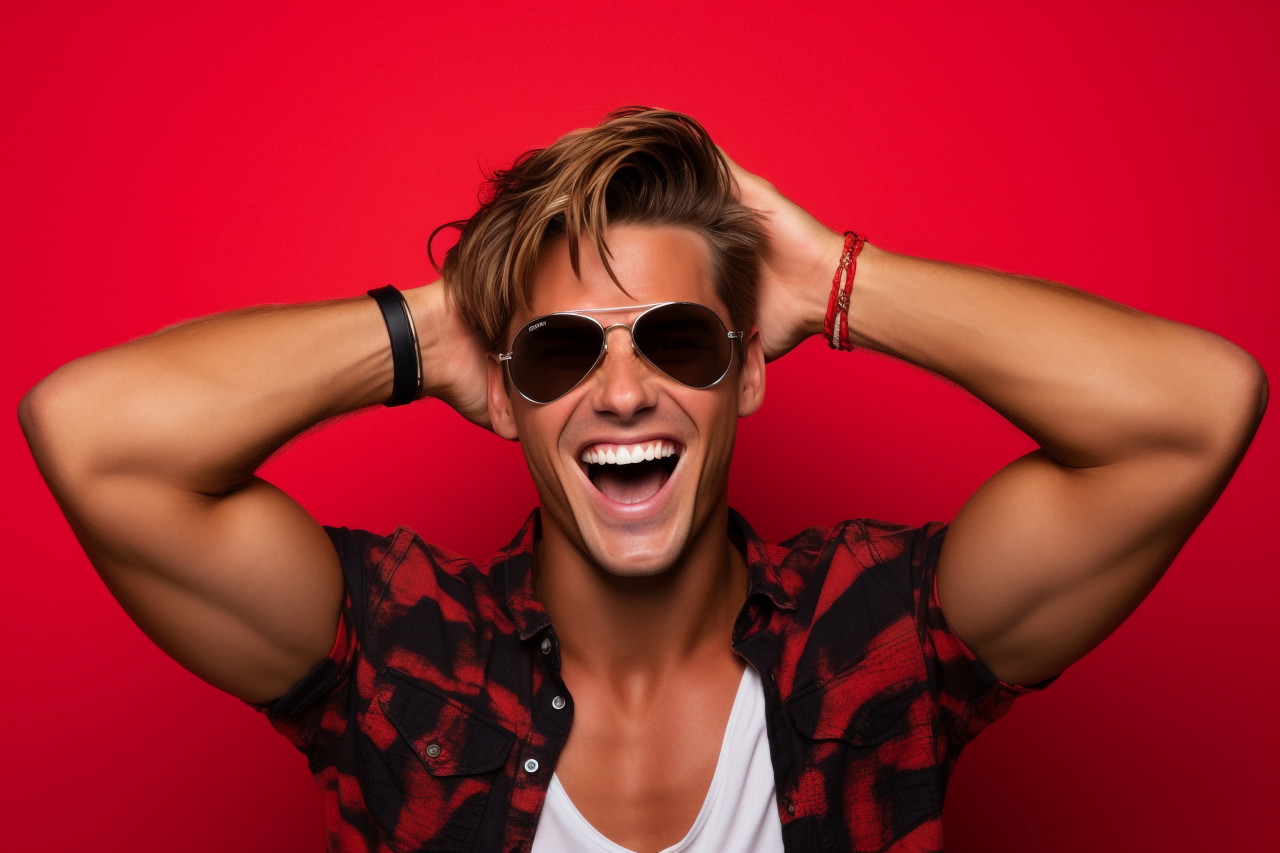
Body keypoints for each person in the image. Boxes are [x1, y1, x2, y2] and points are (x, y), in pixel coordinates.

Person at [19, 107, 1266, 853]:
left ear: (747, 370)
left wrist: (831, 278)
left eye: (675, 339)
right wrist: (433, 325)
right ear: (499, 392)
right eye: (564, 350)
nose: (621, 392)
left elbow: (1192, 411)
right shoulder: (396, 657)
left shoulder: (874, 634)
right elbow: (89, 434)